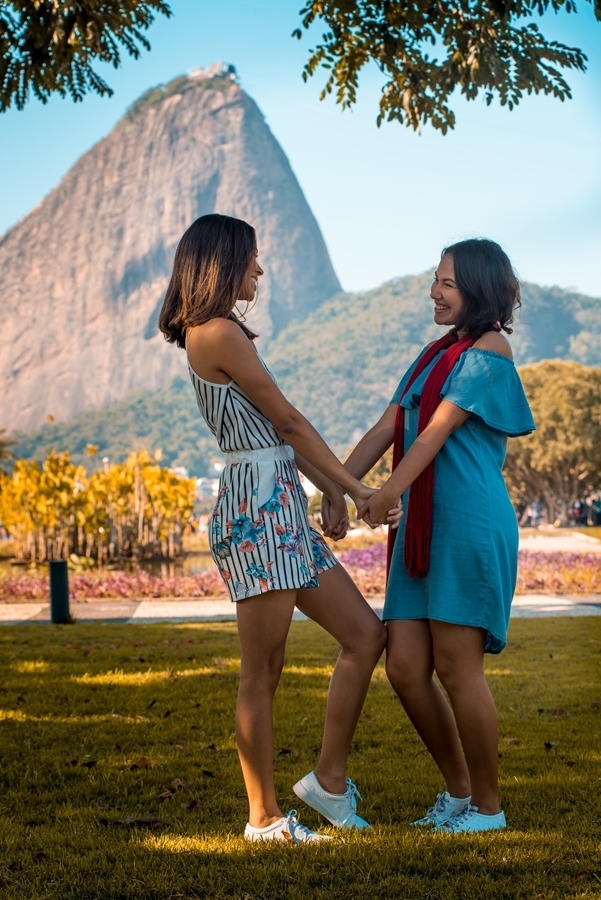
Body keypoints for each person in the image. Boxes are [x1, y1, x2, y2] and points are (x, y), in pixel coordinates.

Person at [158, 214, 387, 844]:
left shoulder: (226, 333)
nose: (260, 269)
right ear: (224, 263)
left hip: (278, 502)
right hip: (258, 511)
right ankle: (262, 819)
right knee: (262, 671)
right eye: (252, 259)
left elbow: (279, 433)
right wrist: (358, 487)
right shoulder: (217, 332)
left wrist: (332, 488)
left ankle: (327, 782)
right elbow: (286, 421)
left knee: (366, 635)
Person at [324, 238, 535, 833]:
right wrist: (341, 486)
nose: (434, 291)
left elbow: (437, 430)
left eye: (446, 282)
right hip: (421, 525)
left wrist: (386, 494)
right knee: (406, 666)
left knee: (457, 665)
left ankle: (488, 809)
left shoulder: (491, 348)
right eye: (434, 280)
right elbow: (390, 425)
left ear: (478, 287)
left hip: (465, 519)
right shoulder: (432, 353)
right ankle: (461, 790)